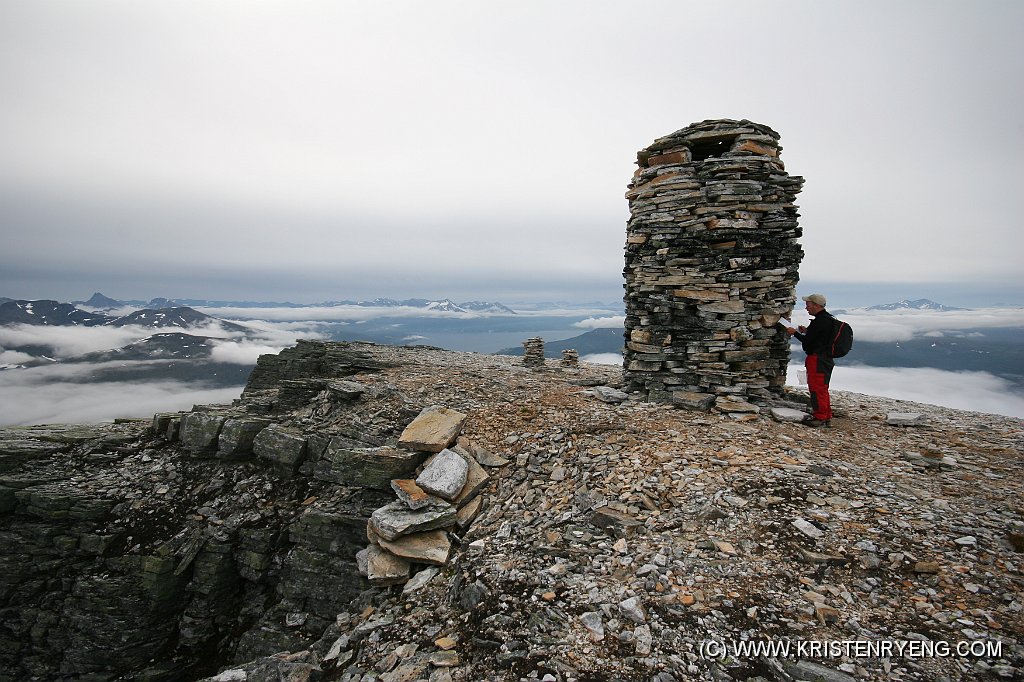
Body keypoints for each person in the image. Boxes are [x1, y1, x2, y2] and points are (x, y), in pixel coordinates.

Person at [786, 294, 835, 427]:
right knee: (822, 388)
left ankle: (819, 418)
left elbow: (809, 342)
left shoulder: (819, 321)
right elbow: (820, 338)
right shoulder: (828, 320)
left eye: (808, 305)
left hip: (817, 359)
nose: (807, 308)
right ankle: (826, 416)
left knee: (816, 387)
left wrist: (794, 333)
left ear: (817, 305)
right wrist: (807, 331)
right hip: (826, 359)